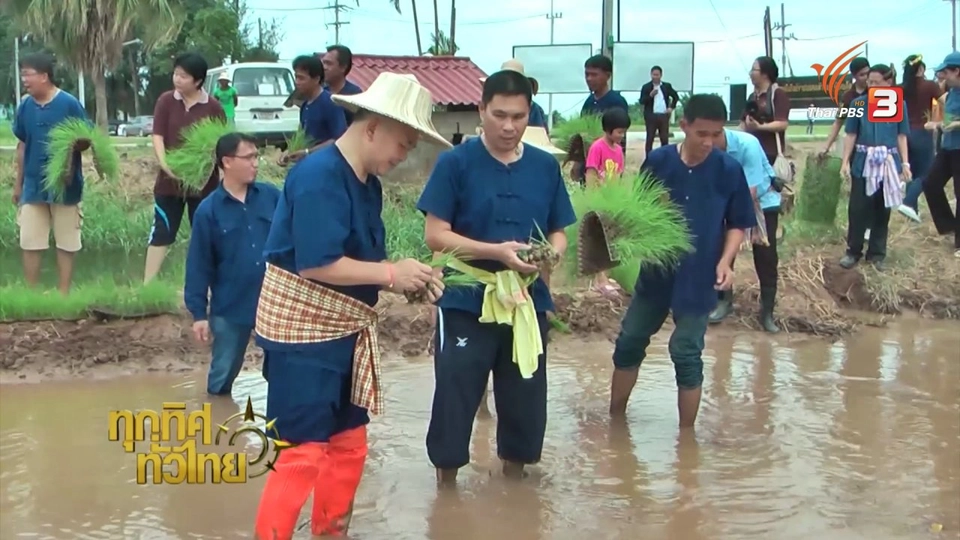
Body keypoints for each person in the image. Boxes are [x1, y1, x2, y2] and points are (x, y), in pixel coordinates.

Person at [252, 72, 449, 540]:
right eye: (403, 143)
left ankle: (330, 532)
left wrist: (411, 281)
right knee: (301, 453)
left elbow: (364, 260)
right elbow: (318, 266)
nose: (404, 155)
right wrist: (390, 274)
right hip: (302, 338)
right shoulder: (319, 176)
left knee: (348, 445)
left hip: (344, 331)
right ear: (373, 126)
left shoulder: (367, 184)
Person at [417, 69, 577, 486]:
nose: (509, 126)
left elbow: (559, 229)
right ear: (481, 111)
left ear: (530, 116)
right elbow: (436, 235)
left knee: (525, 392)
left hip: (527, 298)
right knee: (457, 391)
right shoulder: (455, 163)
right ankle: (447, 485)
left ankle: (515, 482)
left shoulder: (544, 167)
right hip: (467, 296)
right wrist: (496, 252)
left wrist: (551, 255)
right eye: (500, 115)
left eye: (519, 117)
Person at [609, 94, 755, 425]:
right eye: (701, 134)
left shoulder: (727, 169)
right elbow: (637, 213)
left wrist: (726, 261)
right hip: (657, 271)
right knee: (629, 341)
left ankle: (686, 440)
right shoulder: (658, 162)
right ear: (684, 126)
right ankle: (615, 419)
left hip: (701, 273)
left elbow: (738, 223)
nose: (708, 142)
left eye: (715, 134)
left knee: (686, 353)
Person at [184, 133, 280, 396]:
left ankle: (285, 428)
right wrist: (199, 315)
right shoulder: (208, 211)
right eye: (248, 157)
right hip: (230, 306)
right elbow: (198, 265)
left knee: (283, 371)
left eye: (256, 156)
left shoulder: (272, 197)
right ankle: (216, 426)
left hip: (274, 302)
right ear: (227, 162)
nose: (256, 163)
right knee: (222, 375)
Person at [144, 53, 226, 284]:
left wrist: (204, 170)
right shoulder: (166, 101)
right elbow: (158, 135)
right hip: (168, 183)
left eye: (183, 76)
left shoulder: (213, 107)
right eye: (176, 74)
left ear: (198, 81)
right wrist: (165, 165)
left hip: (203, 186)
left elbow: (218, 145)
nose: (177, 79)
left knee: (204, 236)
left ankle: (205, 286)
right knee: (161, 232)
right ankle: (147, 286)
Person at [12, 52, 90, 295]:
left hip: (65, 185)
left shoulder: (69, 104)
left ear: (44, 76)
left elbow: (87, 140)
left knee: (67, 241)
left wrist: (74, 143)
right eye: (22, 73)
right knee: (30, 240)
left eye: (28, 74)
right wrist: (18, 183)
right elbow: (22, 145)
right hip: (33, 185)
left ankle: (64, 293)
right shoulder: (25, 106)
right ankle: (31, 293)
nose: (24, 79)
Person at [839, 64, 912, 271]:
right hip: (864, 161)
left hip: (888, 161)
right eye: (869, 82)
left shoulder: (898, 105)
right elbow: (851, 134)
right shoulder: (857, 104)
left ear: (888, 83)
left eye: (876, 82)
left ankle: (877, 253)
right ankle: (853, 251)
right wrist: (845, 161)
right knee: (858, 208)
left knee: (882, 208)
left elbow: (901, 135)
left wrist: (905, 163)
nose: (871, 86)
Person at [709, 128, 782, 334]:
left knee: (766, 256)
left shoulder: (747, 145)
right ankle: (724, 301)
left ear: (719, 131)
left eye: (711, 135)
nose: (707, 142)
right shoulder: (706, 149)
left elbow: (750, 191)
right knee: (722, 250)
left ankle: (767, 312)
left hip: (762, 201)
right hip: (728, 200)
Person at [584, 108, 630, 298]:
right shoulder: (597, 147)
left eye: (624, 131)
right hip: (599, 200)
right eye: (619, 131)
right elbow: (591, 173)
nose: (622, 135)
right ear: (608, 130)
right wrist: (593, 198)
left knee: (611, 240)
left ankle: (607, 276)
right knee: (598, 241)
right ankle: (599, 280)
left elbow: (618, 175)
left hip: (612, 200)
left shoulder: (619, 150)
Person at [898, 54, 946, 223]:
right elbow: (945, 101)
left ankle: (912, 214)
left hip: (903, 134)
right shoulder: (929, 86)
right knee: (926, 173)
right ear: (921, 69)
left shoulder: (901, 88)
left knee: (911, 172)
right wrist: (940, 121)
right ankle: (909, 202)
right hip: (922, 132)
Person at [922, 52, 960, 258]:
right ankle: (949, 226)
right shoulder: (950, 93)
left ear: (957, 71)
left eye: (946, 72)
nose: (943, 76)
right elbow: (944, 118)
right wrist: (936, 124)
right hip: (947, 148)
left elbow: (954, 121)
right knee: (930, 183)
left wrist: (956, 124)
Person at [281, 54, 347, 166]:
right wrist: (288, 153)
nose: (297, 82)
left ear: (316, 79)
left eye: (301, 78)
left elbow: (339, 139)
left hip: (328, 165)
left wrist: (308, 152)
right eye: (296, 77)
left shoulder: (330, 103)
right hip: (309, 165)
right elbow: (304, 136)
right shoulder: (305, 105)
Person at [572, 55, 629, 182]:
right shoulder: (588, 103)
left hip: (608, 168)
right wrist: (577, 163)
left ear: (608, 76)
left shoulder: (617, 102)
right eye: (587, 74)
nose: (589, 79)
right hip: (588, 165)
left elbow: (620, 137)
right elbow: (582, 137)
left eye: (594, 75)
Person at [741, 56, 790, 168]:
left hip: (770, 154)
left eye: (754, 70)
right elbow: (743, 124)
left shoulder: (778, 94)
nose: (750, 73)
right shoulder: (751, 97)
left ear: (765, 74)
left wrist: (759, 127)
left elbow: (782, 124)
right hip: (751, 152)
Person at [821, 57, 870, 155]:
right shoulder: (848, 97)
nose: (866, 77)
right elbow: (838, 122)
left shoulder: (878, 93)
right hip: (854, 146)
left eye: (867, 73)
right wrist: (826, 146)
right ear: (854, 76)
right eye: (862, 75)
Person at [480, 59, 548, 129]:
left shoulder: (535, 109)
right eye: (499, 115)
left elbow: (539, 135)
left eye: (518, 116)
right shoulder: (489, 103)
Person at [639, 65, 680, 155]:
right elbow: (642, 101)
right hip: (651, 116)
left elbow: (676, 97)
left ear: (661, 75)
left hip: (663, 115)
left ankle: (664, 158)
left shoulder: (666, 86)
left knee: (664, 139)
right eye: (654, 74)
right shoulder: (646, 87)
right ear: (651, 75)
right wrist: (650, 95)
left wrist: (671, 107)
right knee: (650, 139)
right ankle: (648, 160)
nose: (655, 77)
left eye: (657, 75)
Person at [322, 44, 363, 125]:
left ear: (343, 67)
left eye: (329, 63)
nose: (324, 67)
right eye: (323, 63)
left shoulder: (354, 95)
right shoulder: (319, 92)